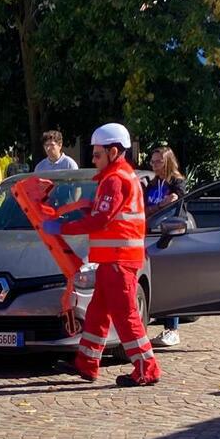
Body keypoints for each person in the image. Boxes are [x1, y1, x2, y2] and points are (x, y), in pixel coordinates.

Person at [42, 122, 159, 387]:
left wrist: (63, 227)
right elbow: (107, 216)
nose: (93, 159)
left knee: (126, 316)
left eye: (96, 154)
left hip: (119, 260)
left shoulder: (115, 179)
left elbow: (100, 220)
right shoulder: (120, 176)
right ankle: (86, 363)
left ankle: (147, 369)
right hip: (113, 260)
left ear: (113, 152)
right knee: (97, 313)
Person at [144, 145, 188, 348]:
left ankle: (172, 329)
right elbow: (146, 208)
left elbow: (175, 203)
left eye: (158, 162)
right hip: (150, 234)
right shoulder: (152, 184)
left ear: (168, 162)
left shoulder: (177, 182)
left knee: (171, 280)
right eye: (152, 162)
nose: (155, 165)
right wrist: (160, 205)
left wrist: (159, 206)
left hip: (170, 235)